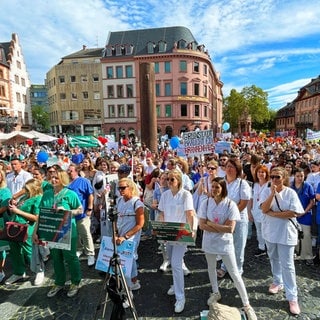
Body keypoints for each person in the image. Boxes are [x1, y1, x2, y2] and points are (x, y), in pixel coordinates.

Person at [198, 177, 257, 320]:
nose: (214, 190)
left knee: (235, 273)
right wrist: (218, 227)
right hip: (209, 243)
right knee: (211, 268)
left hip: (225, 244)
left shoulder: (231, 205)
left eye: (217, 187)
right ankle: (215, 292)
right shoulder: (205, 203)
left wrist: (211, 224)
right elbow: (201, 225)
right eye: (212, 187)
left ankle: (247, 304)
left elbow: (230, 229)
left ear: (223, 188)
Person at [260, 166, 304, 315]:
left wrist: (275, 214)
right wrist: (272, 194)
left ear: (284, 177)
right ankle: (277, 282)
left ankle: (292, 297)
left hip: (286, 233)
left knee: (288, 264)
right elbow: (264, 209)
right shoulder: (267, 191)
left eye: (277, 177)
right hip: (270, 232)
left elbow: (294, 212)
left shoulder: (290, 193)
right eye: (272, 177)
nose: (274, 179)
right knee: (273, 258)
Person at [34, 170, 82, 298]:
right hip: (52, 231)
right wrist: (35, 232)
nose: (53, 180)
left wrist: (67, 211)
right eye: (52, 177)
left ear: (63, 179)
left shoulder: (70, 194)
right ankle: (59, 282)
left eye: (57, 178)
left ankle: (75, 282)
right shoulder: (47, 194)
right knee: (56, 257)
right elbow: (40, 214)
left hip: (67, 231)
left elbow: (79, 209)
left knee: (70, 257)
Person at [158, 169, 196, 313]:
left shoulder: (186, 195)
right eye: (167, 179)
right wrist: (160, 229)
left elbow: (190, 214)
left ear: (179, 180)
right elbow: (162, 213)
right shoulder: (165, 195)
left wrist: (192, 230)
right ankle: (175, 284)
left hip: (181, 233)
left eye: (172, 179)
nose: (169, 182)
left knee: (176, 263)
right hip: (168, 232)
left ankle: (181, 297)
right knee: (172, 261)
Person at [217, 158, 251, 278]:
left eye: (232, 167)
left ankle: (237, 269)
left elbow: (243, 203)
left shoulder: (243, 184)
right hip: (223, 219)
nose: (229, 169)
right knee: (225, 243)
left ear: (237, 170)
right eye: (228, 166)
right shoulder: (221, 183)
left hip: (238, 219)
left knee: (238, 245)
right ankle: (224, 266)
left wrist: (231, 217)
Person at [5, 179, 43, 285]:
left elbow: (36, 217)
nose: (24, 190)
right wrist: (14, 205)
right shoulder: (25, 196)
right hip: (15, 227)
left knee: (29, 251)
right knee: (15, 251)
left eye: (27, 188)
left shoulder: (38, 198)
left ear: (34, 189)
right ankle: (19, 272)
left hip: (27, 228)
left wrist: (18, 211)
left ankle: (39, 271)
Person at [114, 177, 144, 304]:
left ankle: (128, 294)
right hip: (120, 237)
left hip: (130, 238)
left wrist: (125, 236)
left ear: (130, 187)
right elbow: (116, 218)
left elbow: (140, 224)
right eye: (119, 188)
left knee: (124, 265)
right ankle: (134, 282)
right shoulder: (119, 200)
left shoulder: (137, 203)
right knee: (130, 262)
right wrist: (115, 234)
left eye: (123, 187)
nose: (120, 190)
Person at [67, 164, 95, 266]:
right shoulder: (67, 183)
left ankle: (90, 253)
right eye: (68, 171)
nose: (69, 172)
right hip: (70, 214)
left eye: (71, 171)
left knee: (85, 233)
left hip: (82, 213)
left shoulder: (84, 181)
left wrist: (90, 208)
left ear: (76, 171)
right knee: (75, 234)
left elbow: (90, 194)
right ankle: (79, 249)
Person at [248, 164, 270, 257]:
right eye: (259, 172)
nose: (261, 174)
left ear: (266, 174)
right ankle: (261, 247)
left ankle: (269, 248)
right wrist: (250, 212)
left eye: (263, 172)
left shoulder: (269, 184)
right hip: (256, 211)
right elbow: (252, 198)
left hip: (266, 211)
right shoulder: (255, 184)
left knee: (267, 230)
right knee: (259, 230)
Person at [0, 170, 12, 282]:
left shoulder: (5, 191)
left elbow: (3, 208)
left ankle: (0, 271)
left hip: (1, 221)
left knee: (0, 249)